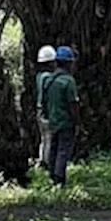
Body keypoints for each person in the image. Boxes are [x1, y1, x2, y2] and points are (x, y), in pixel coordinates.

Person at [43, 46, 81, 187]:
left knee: (54, 149)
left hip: (53, 121)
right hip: (66, 122)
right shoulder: (68, 81)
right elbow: (73, 104)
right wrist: (77, 122)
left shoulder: (49, 80)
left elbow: (45, 101)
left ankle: (52, 176)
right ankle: (59, 179)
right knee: (63, 151)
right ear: (68, 63)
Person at [33, 45, 57, 168]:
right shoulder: (48, 77)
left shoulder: (39, 76)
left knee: (43, 138)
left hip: (39, 110)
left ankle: (42, 159)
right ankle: (47, 162)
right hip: (46, 111)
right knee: (49, 138)